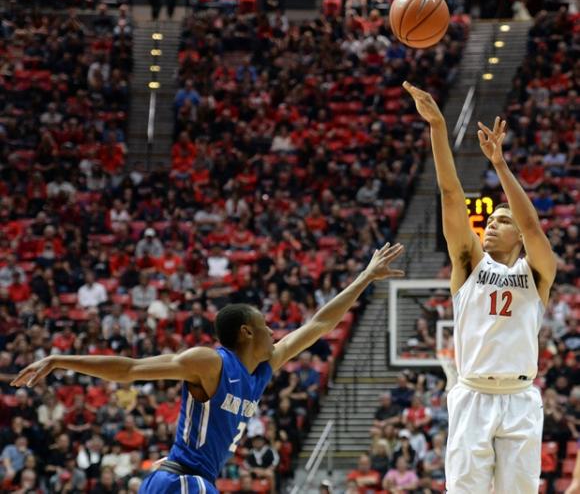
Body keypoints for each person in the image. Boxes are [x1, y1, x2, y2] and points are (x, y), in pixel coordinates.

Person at [11, 243, 404, 493]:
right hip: (180, 478)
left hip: (193, 482)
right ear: (248, 331)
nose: (274, 329)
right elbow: (130, 370)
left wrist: (365, 277)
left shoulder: (263, 368)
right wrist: (60, 359)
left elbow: (319, 325)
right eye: (266, 324)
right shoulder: (211, 362)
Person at [403, 81, 557, 494]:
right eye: (490, 220)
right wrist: (437, 126)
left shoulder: (537, 272)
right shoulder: (469, 264)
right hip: (472, 395)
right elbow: (452, 196)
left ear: (518, 238)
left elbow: (532, 225)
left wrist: (501, 166)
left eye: (501, 221)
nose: (492, 223)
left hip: (521, 398)